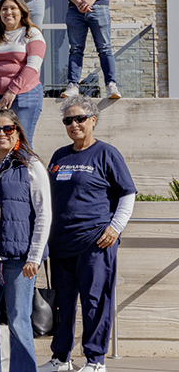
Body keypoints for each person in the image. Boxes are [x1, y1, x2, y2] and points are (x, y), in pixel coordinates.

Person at [38, 96, 136, 372]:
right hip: (61, 244)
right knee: (63, 306)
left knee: (94, 302)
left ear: (93, 120)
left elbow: (127, 193)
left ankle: (95, 360)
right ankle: (61, 359)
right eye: (68, 120)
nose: (74, 124)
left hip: (94, 243)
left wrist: (115, 227)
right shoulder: (60, 155)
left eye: (80, 118)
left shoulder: (106, 153)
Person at [0, 109, 51, 372]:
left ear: (17, 131)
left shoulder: (30, 164)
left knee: (19, 321)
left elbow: (44, 213)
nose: (1, 134)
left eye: (7, 129)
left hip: (19, 258)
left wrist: (35, 256)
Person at [0, 0, 46, 144]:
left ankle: (25, 168)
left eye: (13, 8)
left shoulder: (32, 33)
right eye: (4, 9)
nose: (8, 12)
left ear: (22, 11)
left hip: (25, 95)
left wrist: (12, 90)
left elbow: (33, 66)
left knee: (22, 143)